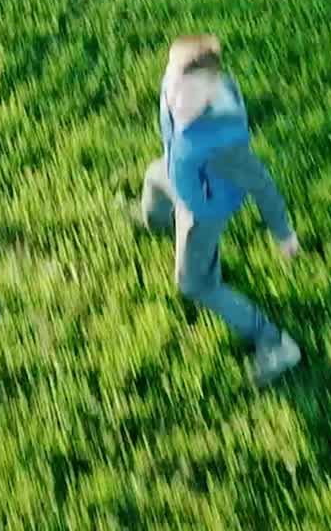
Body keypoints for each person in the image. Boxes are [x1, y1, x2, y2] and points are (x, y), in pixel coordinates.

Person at [129, 33, 303, 387]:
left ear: (211, 92)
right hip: (178, 173)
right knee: (153, 177)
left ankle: (275, 343)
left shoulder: (224, 145)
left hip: (202, 210)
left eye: (191, 95)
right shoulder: (181, 85)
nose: (178, 101)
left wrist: (283, 233)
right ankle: (157, 221)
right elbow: (177, 104)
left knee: (194, 284)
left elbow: (262, 185)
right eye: (174, 87)